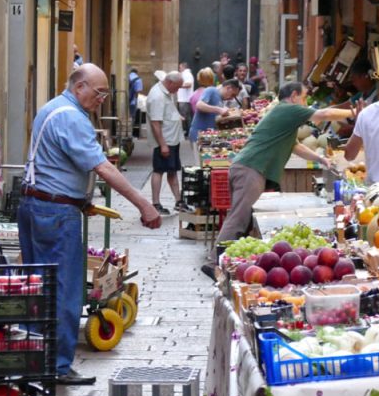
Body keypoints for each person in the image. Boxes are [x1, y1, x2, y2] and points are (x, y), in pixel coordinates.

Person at [18, 63, 161, 385]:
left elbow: (54, 163)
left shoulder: (52, 109)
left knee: (37, 284)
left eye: (106, 94)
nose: (102, 100)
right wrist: (144, 204)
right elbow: (103, 169)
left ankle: (29, 358)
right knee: (65, 288)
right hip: (54, 214)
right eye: (98, 93)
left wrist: (80, 200)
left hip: (36, 205)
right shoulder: (71, 117)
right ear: (79, 86)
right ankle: (57, 366)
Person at [207, 82, 358, 277]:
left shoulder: (284, 115)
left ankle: (227, 264)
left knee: (241, 219)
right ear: (294, 96)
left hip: (248, 168)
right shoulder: (288, 109)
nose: (305, 102)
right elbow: (323, 115)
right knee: (238, 219)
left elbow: (295, 146)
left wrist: (320, 159)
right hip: (251, 169)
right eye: (304, 97)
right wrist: (353, 112)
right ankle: (213, 264)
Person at [147, 71, 186, 215]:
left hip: (172, 139)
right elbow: (155, 123)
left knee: (172, 170)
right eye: (177, 86)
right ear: (170, 83)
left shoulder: (166, 91)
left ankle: (178, 201)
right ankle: (155, 203)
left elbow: (166, 112)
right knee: (159, 170)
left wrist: (177, 116)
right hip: (165, 140)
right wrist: (162, 144)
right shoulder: (157, 96)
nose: (178, 90)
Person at [189, 78, 242, 143]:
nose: (232, 98)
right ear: (228, 88)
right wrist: (219, 110)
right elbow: (199, 105)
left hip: (208, 135)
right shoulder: (211, 90)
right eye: (233, 95)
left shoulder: (221, 100)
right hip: (198, 134)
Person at [176, 62, 195, 137]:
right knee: (186, 117)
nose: (179, 69)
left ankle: (188, 132)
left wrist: (178, 85)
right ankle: (188, 131)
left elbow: (188, 84)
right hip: (184, 99)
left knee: (185, 117)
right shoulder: (185, 74)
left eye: (180, 67)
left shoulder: (186, 74)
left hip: (185, 99)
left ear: (184, 67)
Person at [128, 66, 144, 138]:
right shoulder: (138, 79)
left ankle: (128, 131)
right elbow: (138, 91)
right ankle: (131, 133)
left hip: (126, 99)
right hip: (133, 101)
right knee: (132, 117)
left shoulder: (127, 77)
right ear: (137, 72)